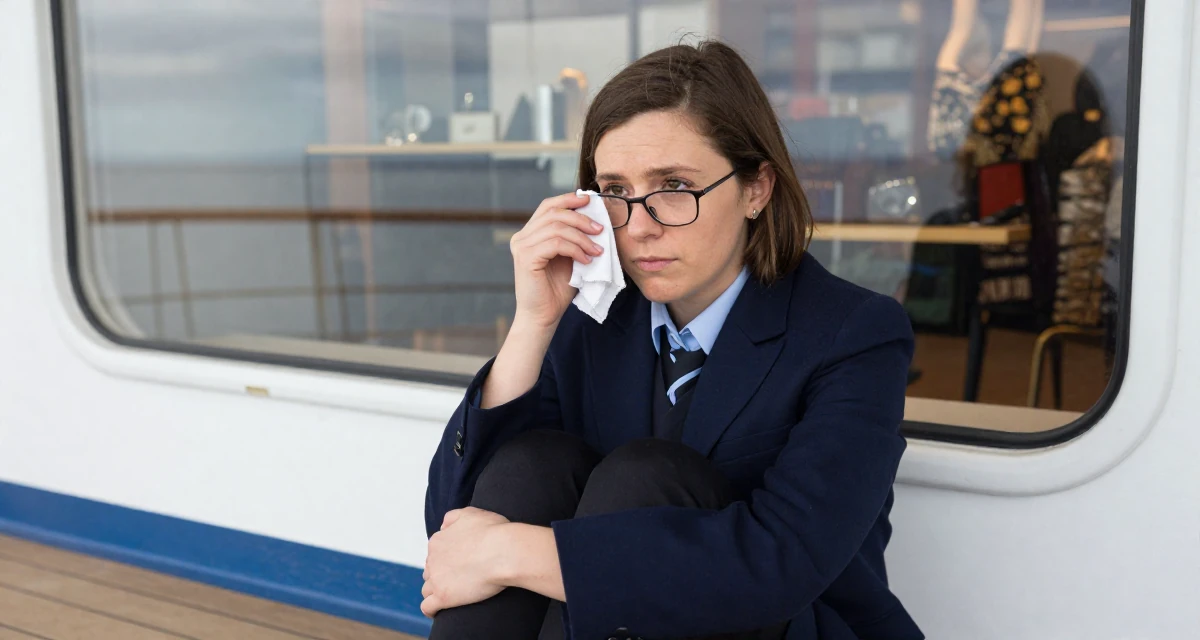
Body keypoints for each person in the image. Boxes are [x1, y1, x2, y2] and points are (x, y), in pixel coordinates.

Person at [422, 40, 924, 640]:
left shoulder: (853, 333)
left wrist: (509, 553)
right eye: (615, 191)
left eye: (674, 187)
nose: (639, 227)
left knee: (644, 476)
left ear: (756, 189)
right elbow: (454, 528)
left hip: (786, 626)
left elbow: (780, 561)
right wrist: (533, 323)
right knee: (535, 463)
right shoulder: (593, 319)